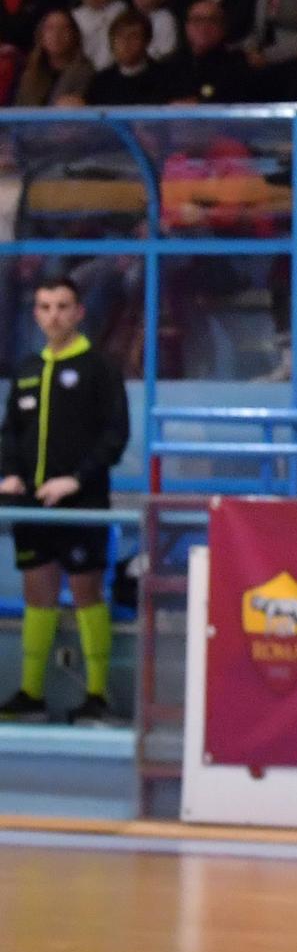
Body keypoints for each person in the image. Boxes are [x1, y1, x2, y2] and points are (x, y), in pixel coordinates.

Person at [0, 277, 129, 726]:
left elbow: (115, 435)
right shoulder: (26, 368)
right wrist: (9, 474)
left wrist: (74, 480)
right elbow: (11, 432)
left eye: (62, 306)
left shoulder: (100, 368)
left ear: (79, 312)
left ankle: (97, 696)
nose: (53, 315)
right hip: (32, 505)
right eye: (44, 307)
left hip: (82, 503)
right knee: (37, 593)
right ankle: (31, 694)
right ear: (35, 313)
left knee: (86, 592)